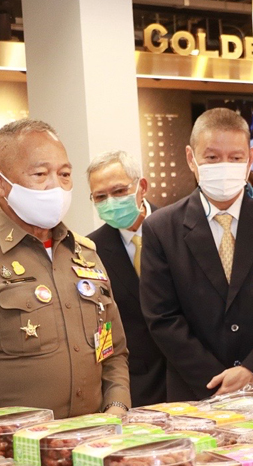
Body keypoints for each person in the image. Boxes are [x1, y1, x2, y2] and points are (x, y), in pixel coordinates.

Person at [0, 119, 131, 428]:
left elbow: (112, 352)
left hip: (95, 443)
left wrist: (116, 406)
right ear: (1, 185)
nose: (56, 186)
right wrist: (17, 434)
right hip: (12, 452)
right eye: (40, 174)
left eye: (65, 174)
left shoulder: (86, 254)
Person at [140, 107, 253, 401]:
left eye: (235, 158)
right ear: (191, 158)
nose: (224, 166)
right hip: (199, 391)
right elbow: (162, 317)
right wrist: (220, 382)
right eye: (212, 157)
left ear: (250, 158)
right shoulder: (161, 228)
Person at [87, 150, 167, 407]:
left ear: (142, 187)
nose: (111, 202)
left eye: (119, 191)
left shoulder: (179, 228)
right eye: (100, 197)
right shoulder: (91, 250)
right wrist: (111, 391)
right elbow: (100, 323)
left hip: (194, 375)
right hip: (135, 384)